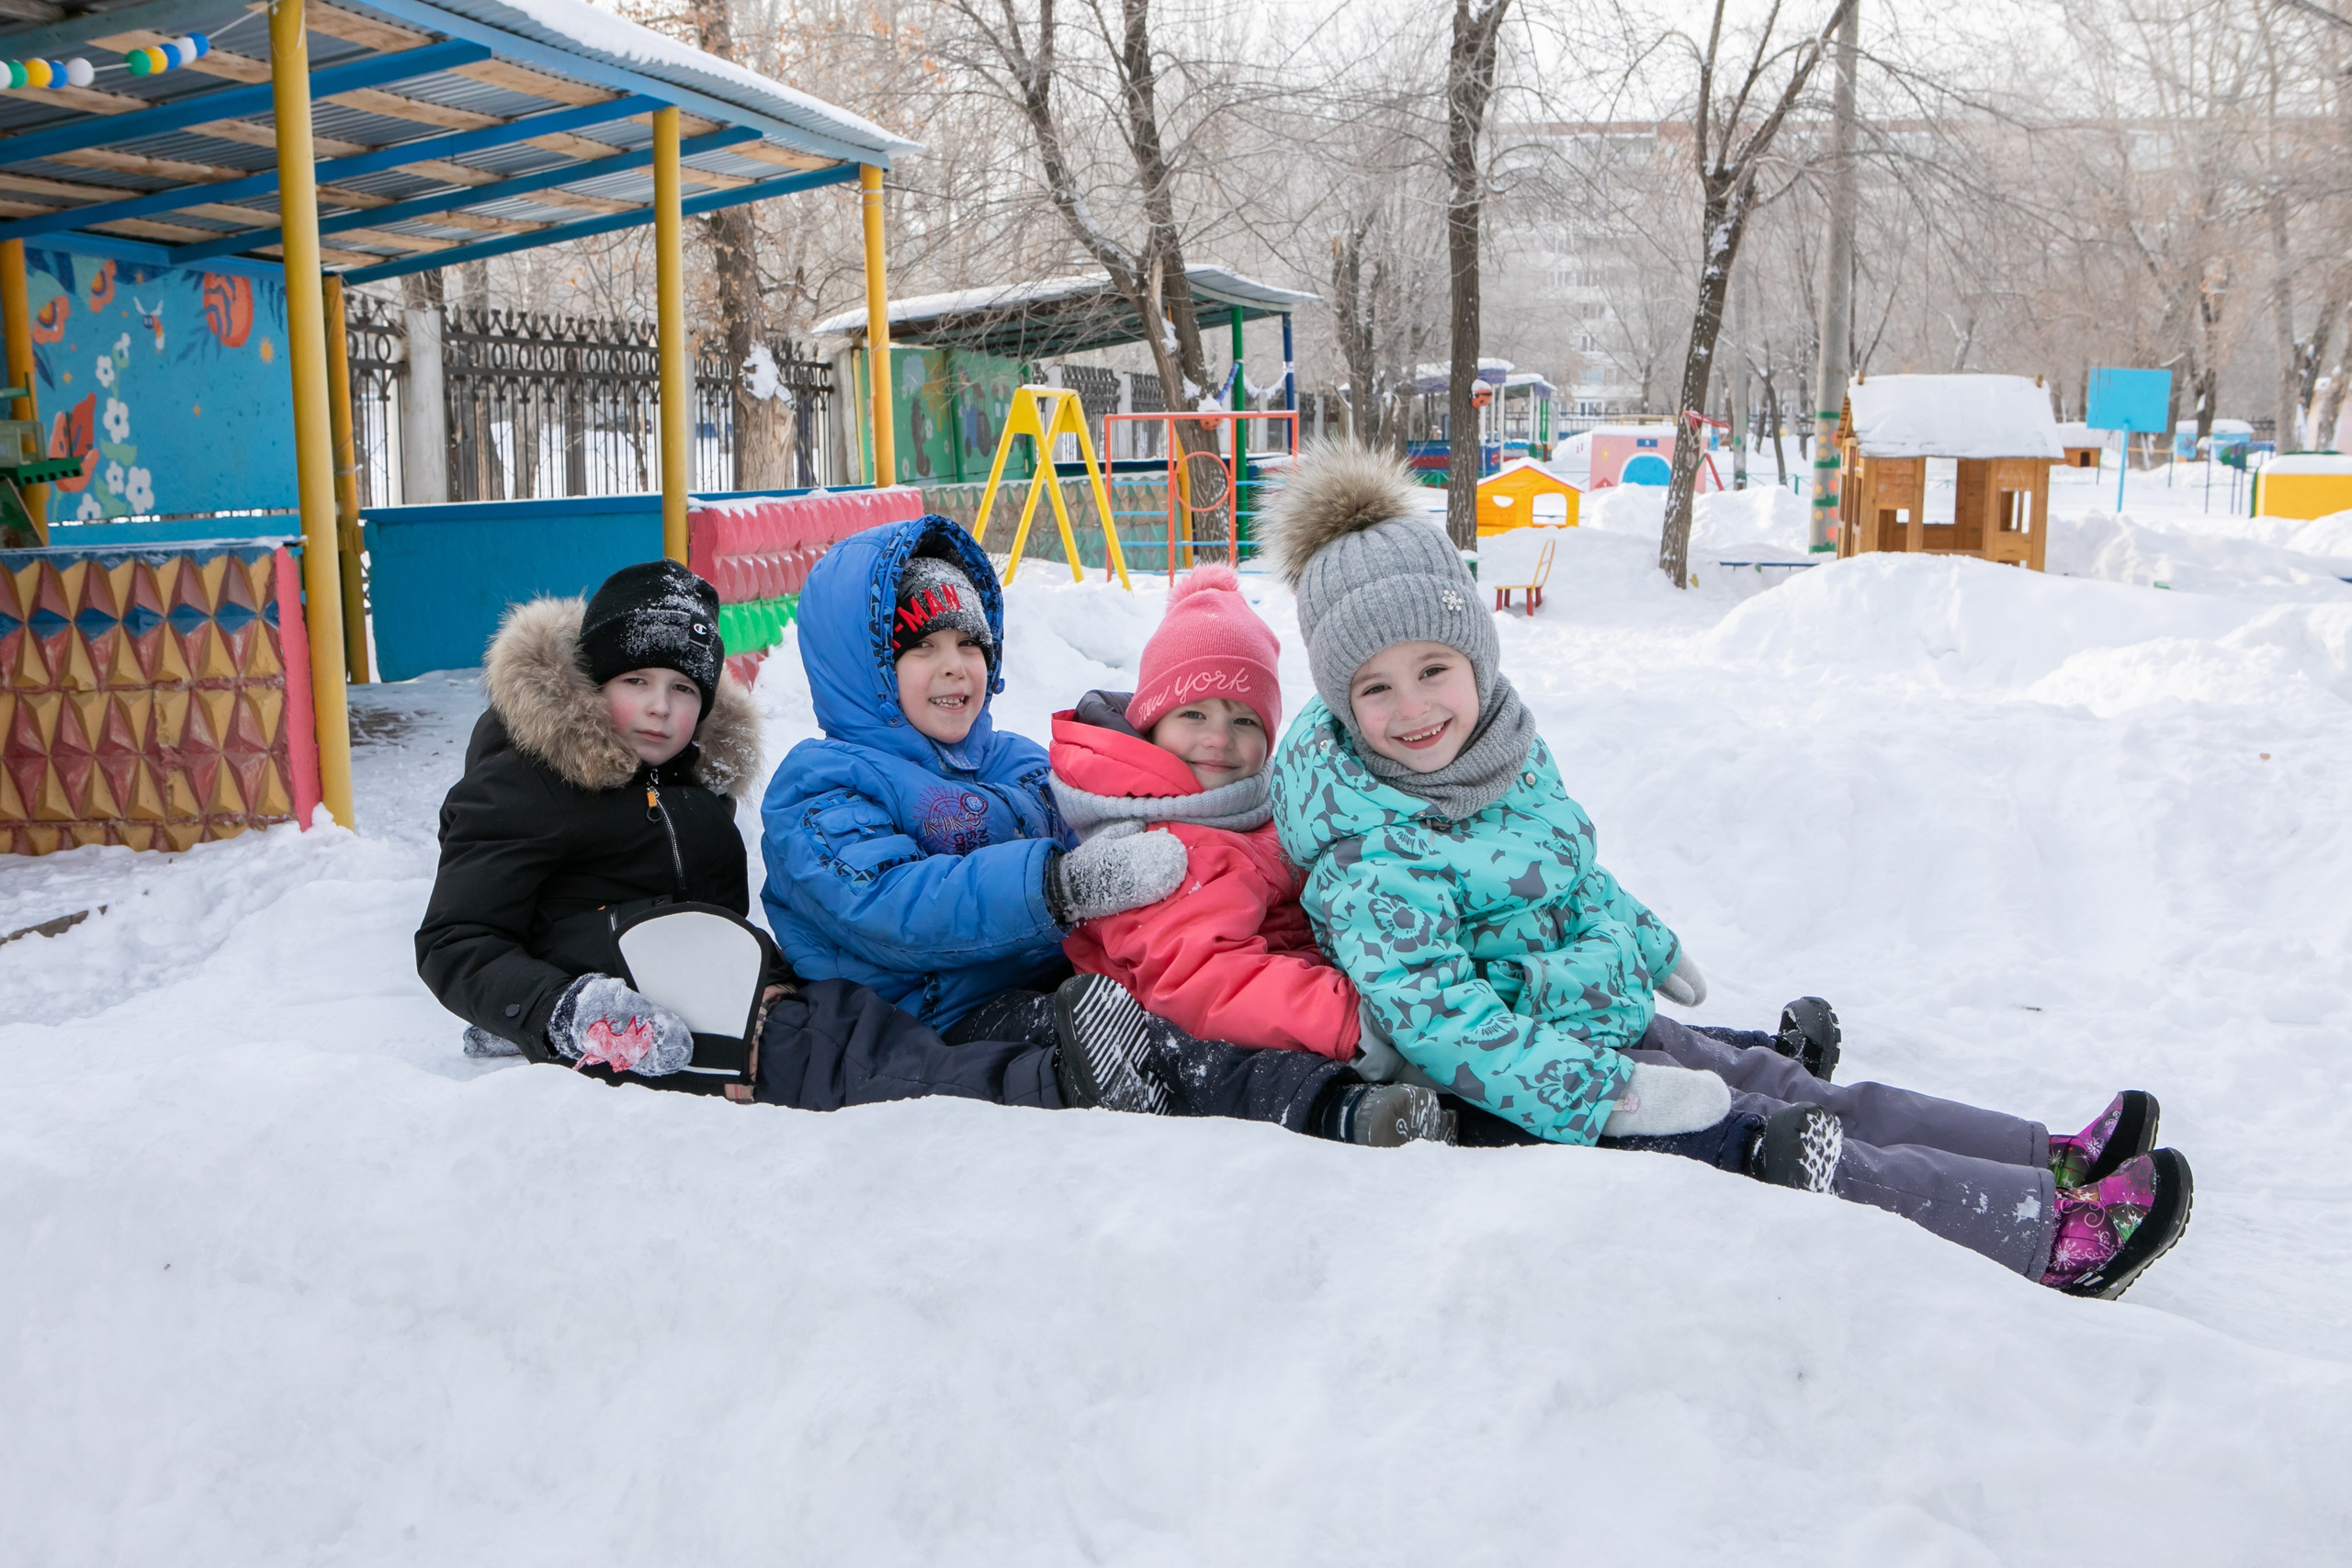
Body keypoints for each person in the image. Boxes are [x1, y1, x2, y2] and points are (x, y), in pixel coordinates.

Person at [1257, 445, 2193, 1298]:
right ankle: (2046, 1235)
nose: (1413, 707)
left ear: (1479, 660)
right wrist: (1601, 1092)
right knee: (1792, 1138)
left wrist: (1648, 939)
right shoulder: (1368, 851)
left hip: (1609, 1015)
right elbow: (1438, 1026)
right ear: (1342, 704)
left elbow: (1566, 875)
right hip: (1549, 1079)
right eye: (1374, 687)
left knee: (1811, 1092)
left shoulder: (1496, 757)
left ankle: (2043, 1161)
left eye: (1432, 669)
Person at [756, 517, 1442, 1145]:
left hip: (1059, 976)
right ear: (866, 668)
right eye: (923, 647)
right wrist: (1059, 886)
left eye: (969, 642)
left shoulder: (1016, 762)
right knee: (1158, 1050)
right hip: (935, 1010)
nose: (954, 665)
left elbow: (1111, 806)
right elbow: (885, 904)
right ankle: (1334, 1109)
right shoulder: (825, 782)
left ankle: (1363, 1085)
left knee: (1180, 1011)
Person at [414, 559, 1185, 1115]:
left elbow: (707, 923)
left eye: (683, 688)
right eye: (636, 682)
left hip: (696, 997)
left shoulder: (690, 791)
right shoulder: (524, 781)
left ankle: (1068, 1063)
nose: (660, 707)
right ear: (591, 683)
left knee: (843, 1014)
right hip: (609, 1016)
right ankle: (1052, 1085)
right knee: (845, 1052)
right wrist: (556, 1009)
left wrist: (766, 978)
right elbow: (455, 939)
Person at [1046, 564, 1450, 1144]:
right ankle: (1354, 1113)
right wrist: (1350, 1017)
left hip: (1302, 997)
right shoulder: (1153, 843)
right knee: (1238, 1071)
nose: (1219, 737)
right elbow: (1205, 981)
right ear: (1151, 721)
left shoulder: (1254, 809)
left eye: (1244, 719)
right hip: (1195, 1021)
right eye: (1194, 715)